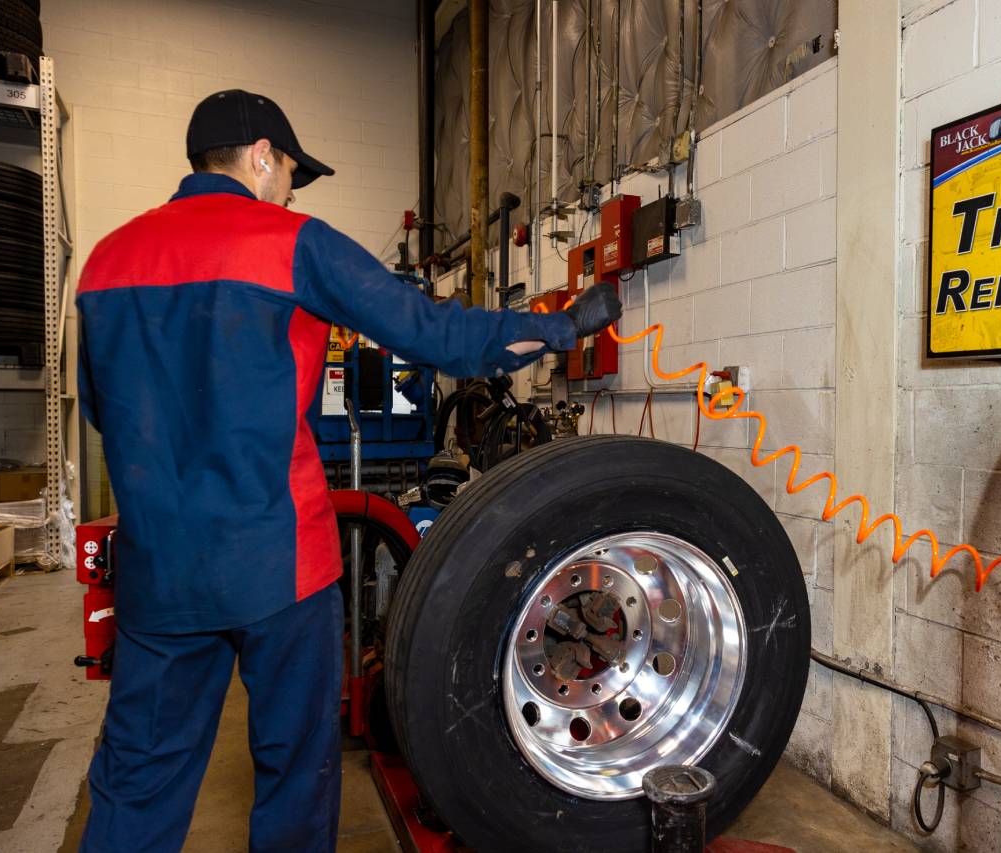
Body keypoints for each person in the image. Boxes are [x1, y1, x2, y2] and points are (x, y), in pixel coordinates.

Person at [75, 89, 621, 853]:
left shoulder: (106, 258)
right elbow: (434, 334)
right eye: (290, 171)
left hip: (160, 572)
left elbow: (100, 410)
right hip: (280, 565)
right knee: (295, 772)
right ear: (262, 155)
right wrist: (563, 325)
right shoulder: (290, 241)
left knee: (138, 780)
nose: (291, 190)